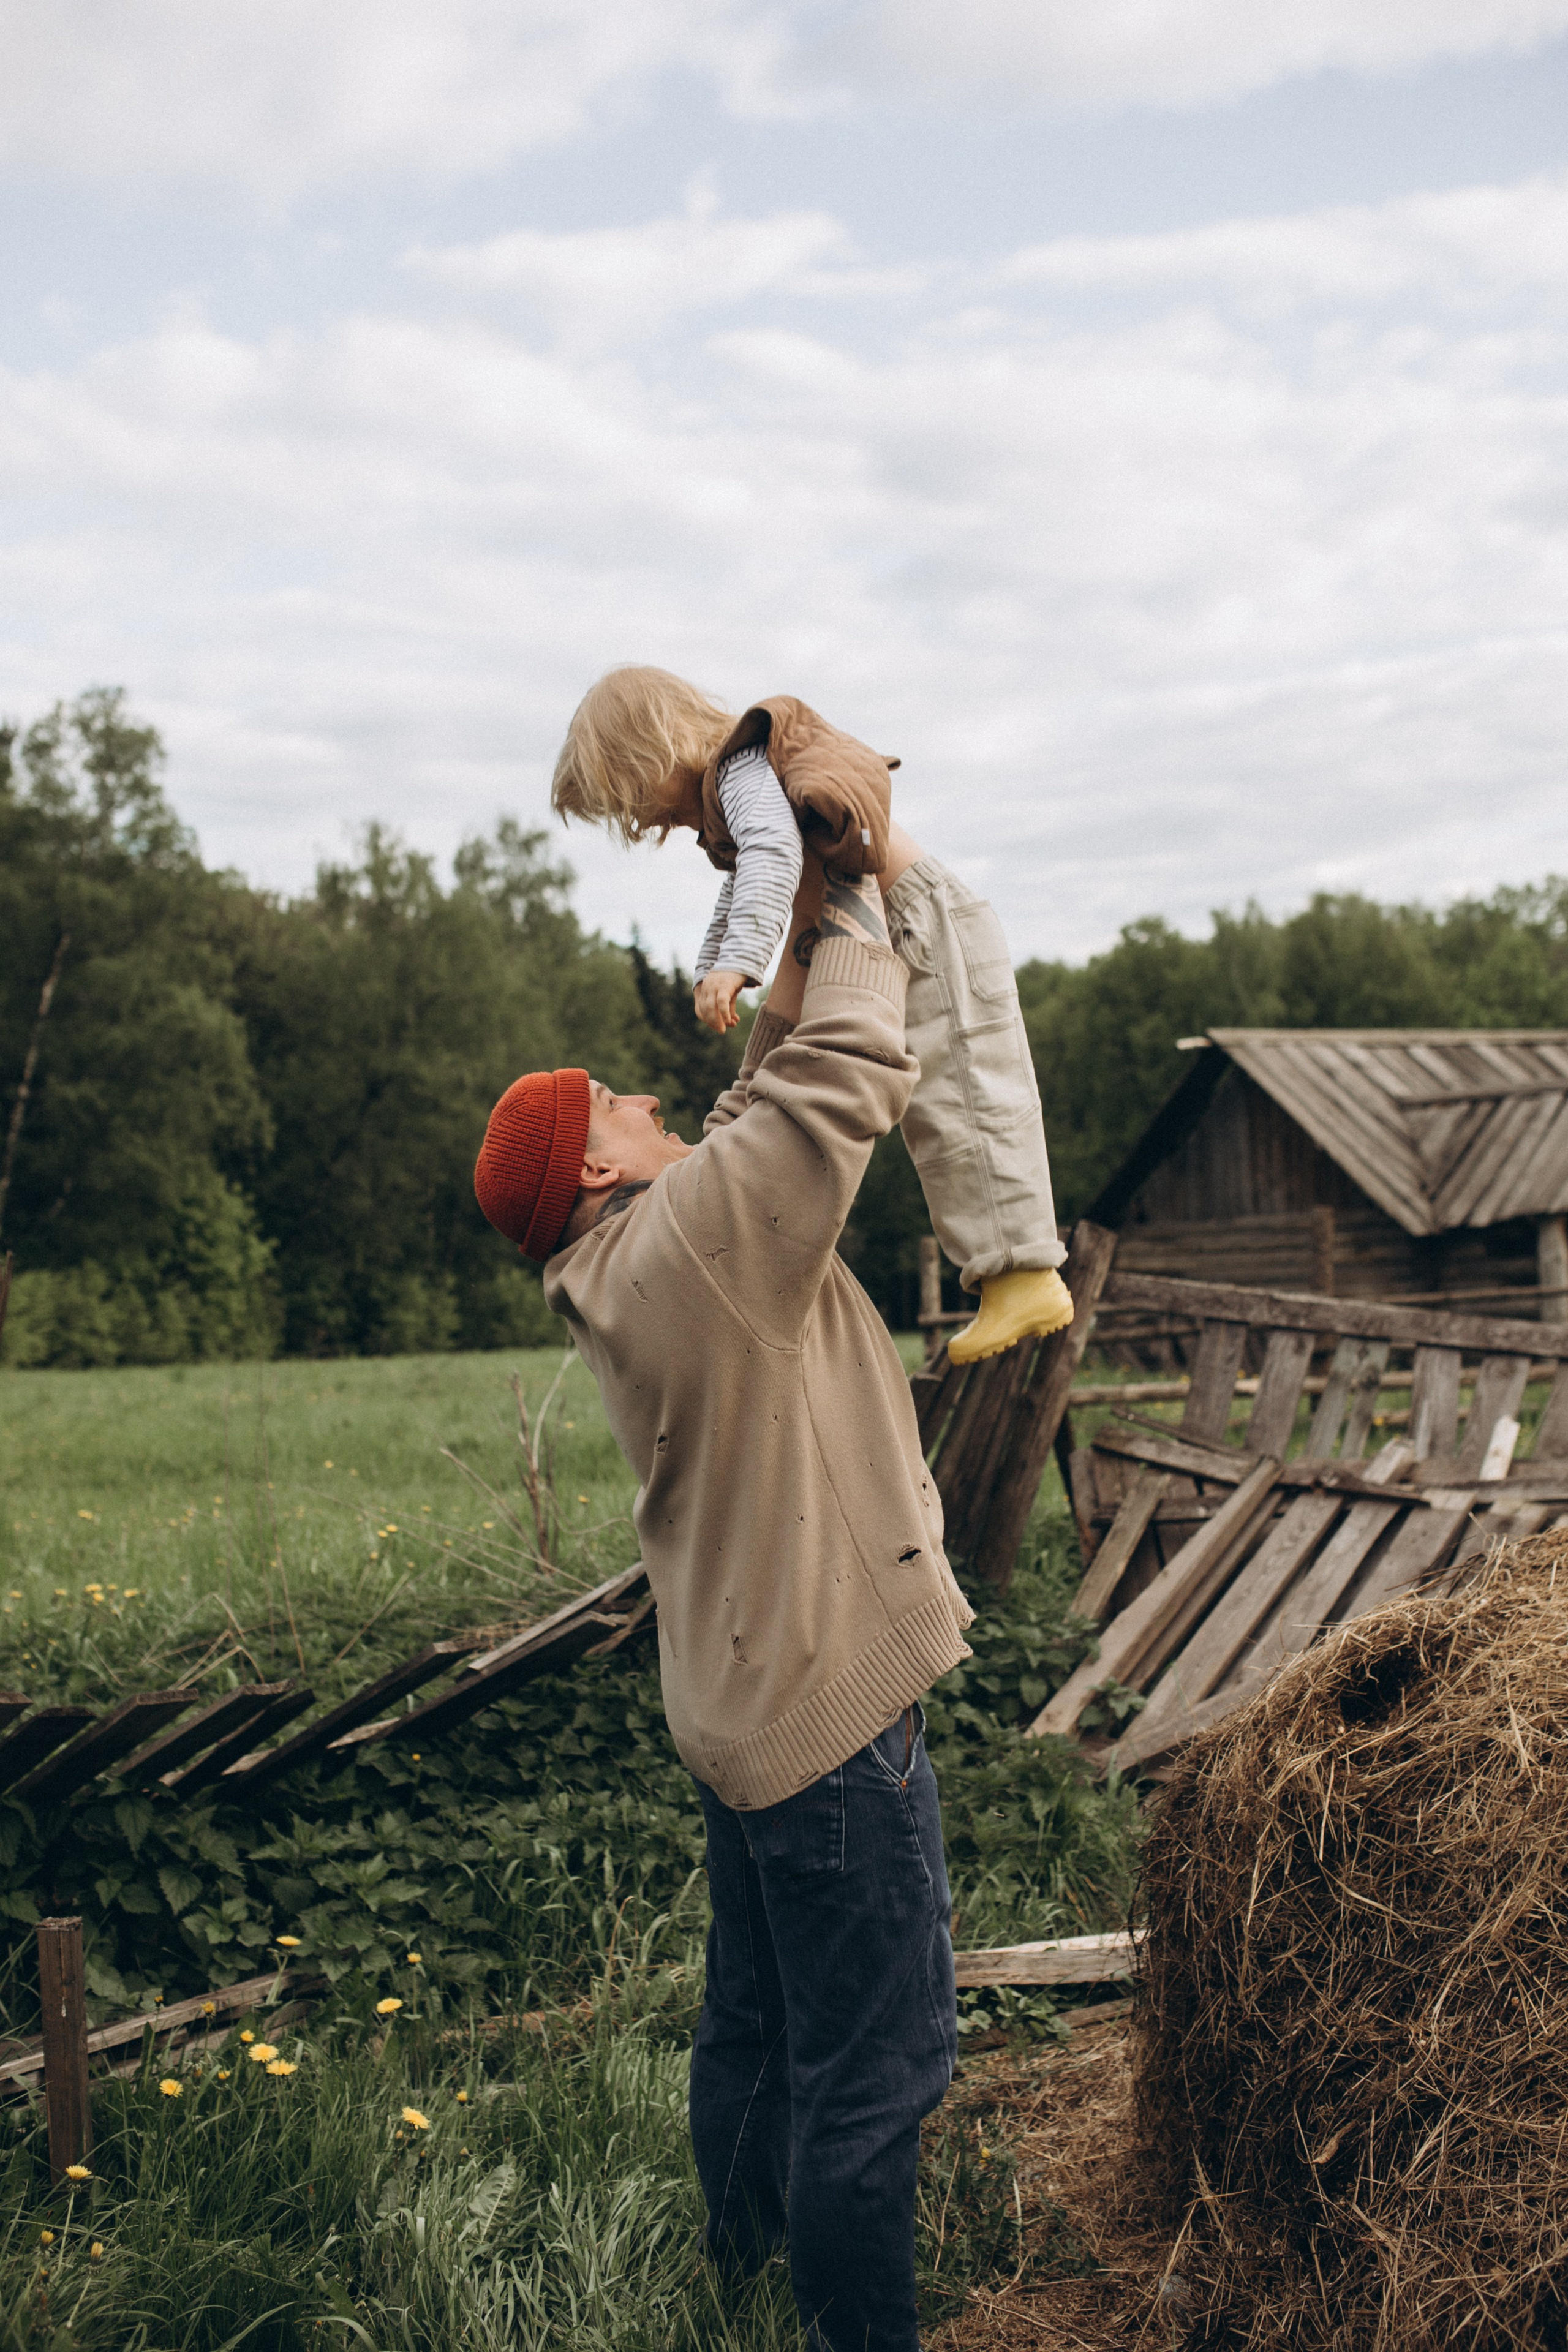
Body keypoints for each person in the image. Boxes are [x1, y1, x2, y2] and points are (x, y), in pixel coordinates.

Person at [474, 856, 974, 2351]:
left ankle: (748, 2278)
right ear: (603, 1172)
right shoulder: (692, 1242)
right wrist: (853, 905)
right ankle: (849, 2331)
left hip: (741, 1704)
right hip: (821, 1712)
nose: (641, 1090)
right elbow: (829, 1090)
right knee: (876, 2065)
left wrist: (794, 915)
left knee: (758, 2032)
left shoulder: (644, 1249)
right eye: (615, 1100)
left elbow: (765, 1101)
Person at [549, 663, 1071, 1365]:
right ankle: (1005, 1270)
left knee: (969, 1087)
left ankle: (1024, 1270)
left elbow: (772, 857)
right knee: (932, 1110)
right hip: (903, 926)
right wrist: (713, 964)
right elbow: (738, 892)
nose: (647, 823)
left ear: (656, 746)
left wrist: (740, 965)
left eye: (635, 801)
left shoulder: (739, 772)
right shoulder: (731, 791)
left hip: (923, 919)